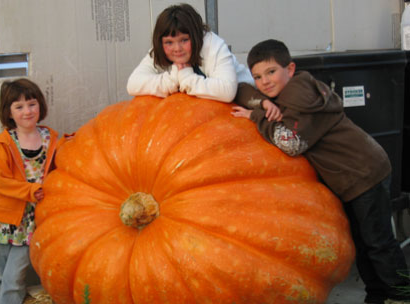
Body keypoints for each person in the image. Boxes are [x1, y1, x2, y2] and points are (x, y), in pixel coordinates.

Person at [231, 39, 409, 304]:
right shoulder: (286, 91)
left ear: (290, 69)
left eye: (271, 72)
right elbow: (241, 90)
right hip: (352, 177)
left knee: (378, 242)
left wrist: (255, 116)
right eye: (258, 76)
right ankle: (378, 295)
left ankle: (401, 294)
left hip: (364, 173)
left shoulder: (300, 98)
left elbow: (290, 144)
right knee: (362, 242)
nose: (264, 82)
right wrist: (263, 103)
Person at [0, 78, 60, 304]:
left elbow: (61, 167)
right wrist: (31, 190)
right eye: (19, 107)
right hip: (1, 219)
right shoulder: (4, 143)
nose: (27, 111)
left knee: (13, 280)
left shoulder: (49, 138)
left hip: (30, 223)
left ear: (40, 105)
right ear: (9, 112)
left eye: (32, 104)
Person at [126, 3, 255, 103]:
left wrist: (187, 78)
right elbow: (133, 84)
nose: (177, 48)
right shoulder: (160, 52)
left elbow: (227, 91)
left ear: (195, 36)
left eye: (184, 40)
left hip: (247, 101)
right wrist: (172, 80)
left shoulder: (213, 45)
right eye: (169, 42)